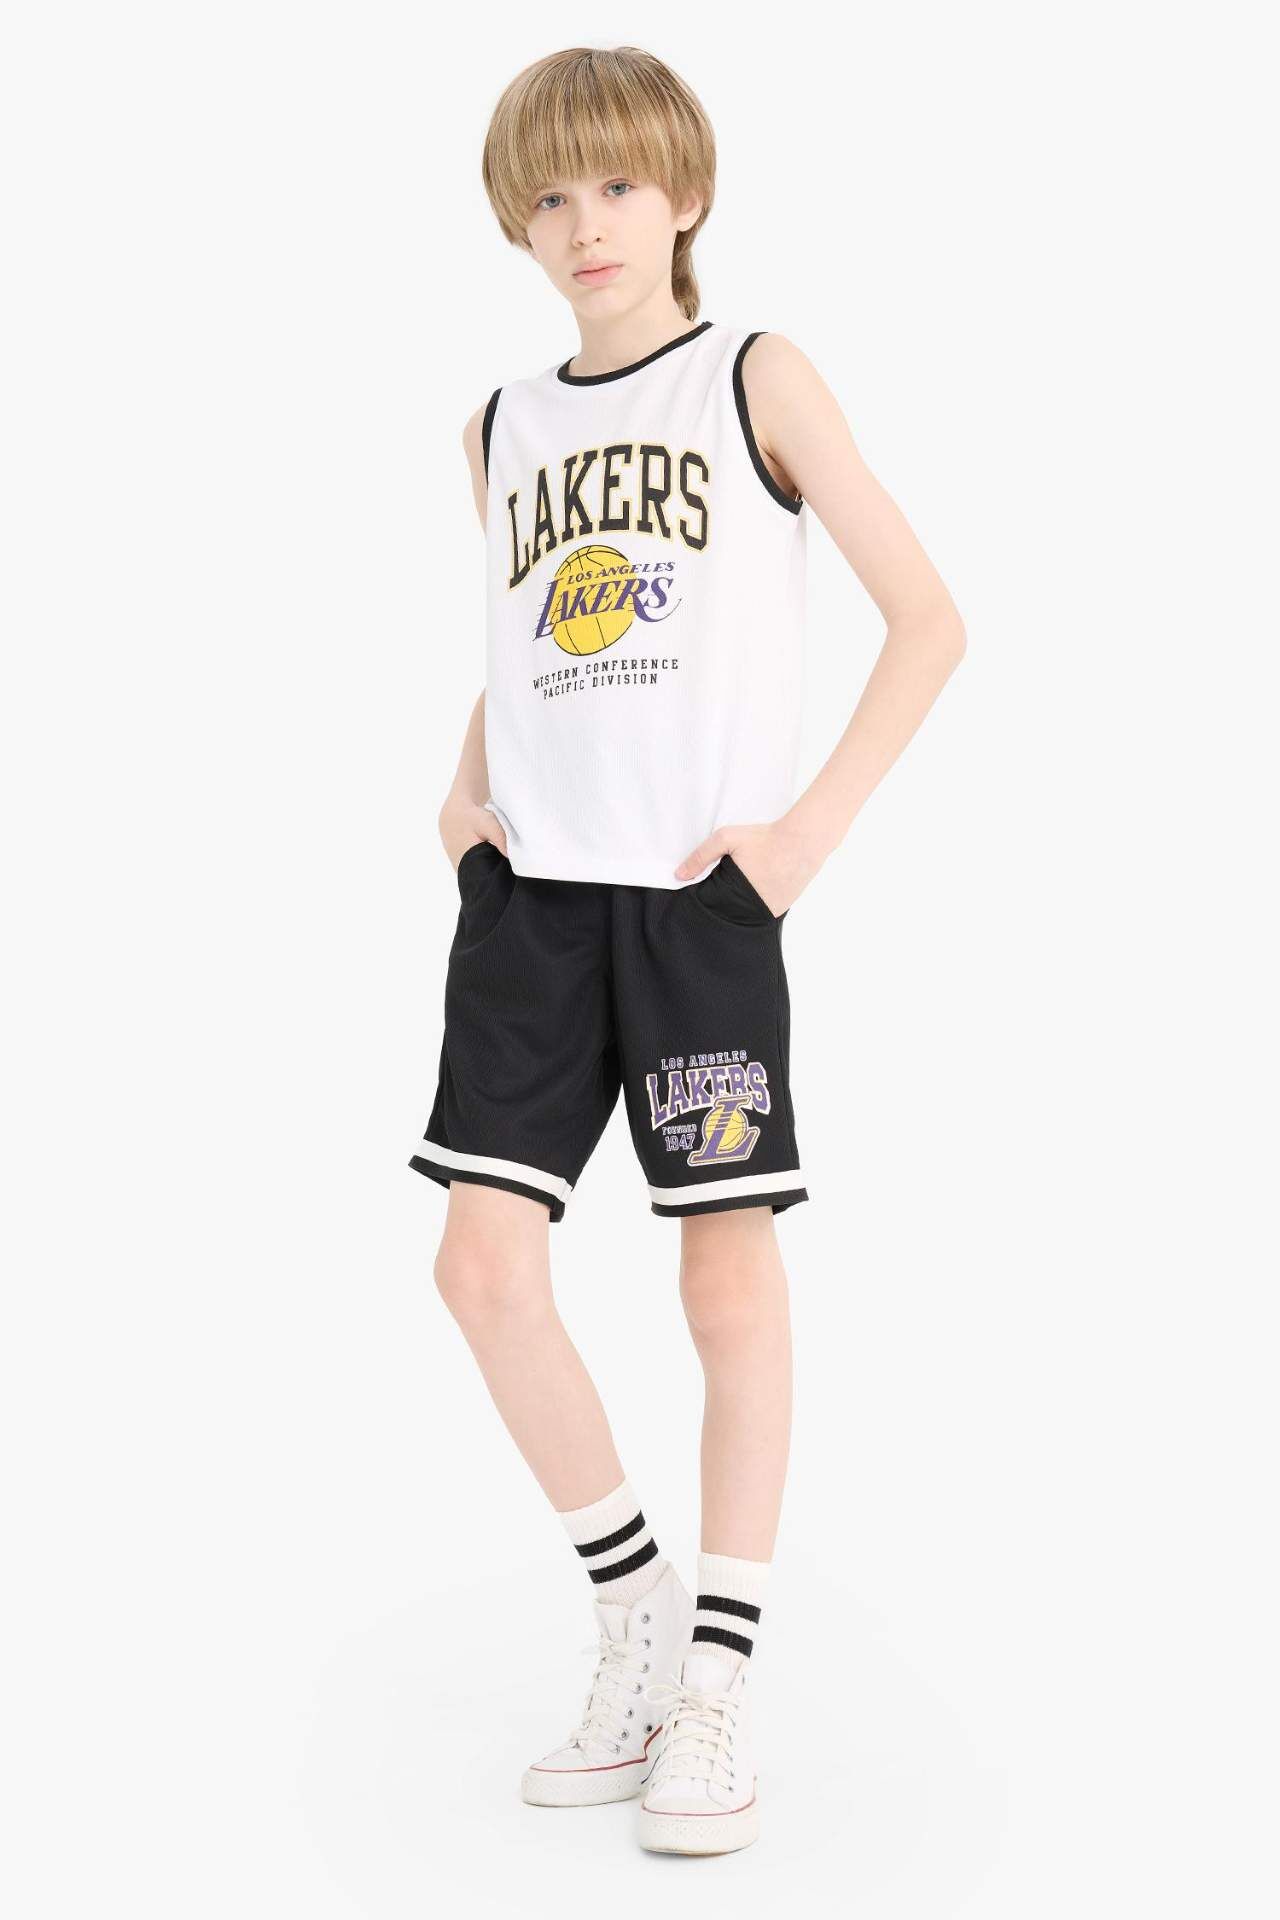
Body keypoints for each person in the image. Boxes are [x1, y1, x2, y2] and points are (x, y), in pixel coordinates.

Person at [409, 45, 966, 1856]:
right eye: (550, 195)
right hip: (535, 906)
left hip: (696, 904)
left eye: (620, 186)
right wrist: (460, 791)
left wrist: (797, 845)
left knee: (723, 1282)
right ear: (516, 222)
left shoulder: (754, 376)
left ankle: (717, 1683)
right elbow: (525, 641)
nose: (586, 224)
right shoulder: (498, 427)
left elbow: (929, 620)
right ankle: (636, 1614)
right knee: (480, 1267)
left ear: (687, 197)